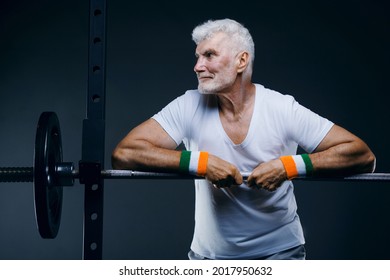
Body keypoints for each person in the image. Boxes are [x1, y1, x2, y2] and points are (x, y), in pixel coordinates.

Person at [111, 18, 376, 260]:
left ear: (241, 61)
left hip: (280, 255)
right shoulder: (189, 104)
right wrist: (200, 163)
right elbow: (125, 154)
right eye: (197, 57)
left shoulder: (281, 108)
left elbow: (362, 156)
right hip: (208, 259)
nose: (197, 66)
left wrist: (289, 167)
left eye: (209, 55)